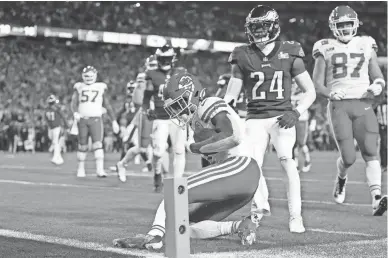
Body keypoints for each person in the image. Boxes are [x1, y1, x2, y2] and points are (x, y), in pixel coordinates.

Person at [113, 71, 261, 250]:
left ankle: (154, 236)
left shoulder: (208, 104)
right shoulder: (194, 124)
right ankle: (240, 226)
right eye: (173, 109)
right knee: (182, 227)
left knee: (175, 193)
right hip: (241, 180)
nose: (177, 112)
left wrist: (197, 147)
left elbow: (233, 136)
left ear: (193, 94)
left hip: (240, 167)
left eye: (179, 105)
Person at [224, 5, 316, 233]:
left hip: (281, 117)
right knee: (250, 165)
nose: (259, 31)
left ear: (274, 26)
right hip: (254, 118)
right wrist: (221, 109)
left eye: (263, 26)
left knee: (287, 160)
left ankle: (296, 216)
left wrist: (296, 112)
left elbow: (310, 91)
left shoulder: (290, 52)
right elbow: (231, 95)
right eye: (254, 27)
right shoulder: (242, 54)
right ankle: (257, 211)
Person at [312, 5, 387, 215]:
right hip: (339, 105)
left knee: (372, 150)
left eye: (348, 24)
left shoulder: (365, 43)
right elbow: (316, 83)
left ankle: (376, 198)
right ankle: (341, 180)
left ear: (355, 25)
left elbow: (377, 74)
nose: (345, 29)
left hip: (363, 102)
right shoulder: (324, 46)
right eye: (341, 25)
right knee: (349, 158)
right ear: (333, 27)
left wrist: (378, 85)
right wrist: (330, 94)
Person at [142, 45, 187, 192]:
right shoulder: (151, 74)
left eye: (167, 58)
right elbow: (147, 96)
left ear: (173, 58)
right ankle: (157, 174)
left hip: (178, 117)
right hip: (160, 117)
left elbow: (188, 94)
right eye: (162, 59)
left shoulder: (181, 73)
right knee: (158, 152)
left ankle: (178, 184)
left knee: (179, 151)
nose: (165, 61)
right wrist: (146, 108)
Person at [71, 66, 119, 177]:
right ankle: (81, 169)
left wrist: (113, 120)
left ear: (95, 76)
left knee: (98, 144)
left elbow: (107, 104)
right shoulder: (79, 87)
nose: (88, 78)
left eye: (90, 76)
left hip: (96, 119)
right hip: (82, 119)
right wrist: (75, 113)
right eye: (86, 76)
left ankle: (100, 169)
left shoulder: (100, 87)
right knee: (82, 146)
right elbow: (73, 102)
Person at [291, 80, 312, 172]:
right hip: (292, 119)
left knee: (301, 143)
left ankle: (307, 160)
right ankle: (295, 164)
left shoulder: (304, 93)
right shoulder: (290, 93)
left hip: (302, 119)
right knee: (293, 143)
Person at [45, 95, 68, 165]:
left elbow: (63, 117)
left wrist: (66, 126)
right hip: (52, 128)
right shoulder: (54, 109)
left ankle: (55, 157)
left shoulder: (54, 109)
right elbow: (63, 117)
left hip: (56, 127)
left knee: (56, 142)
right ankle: (59, 158)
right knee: (55, 142)